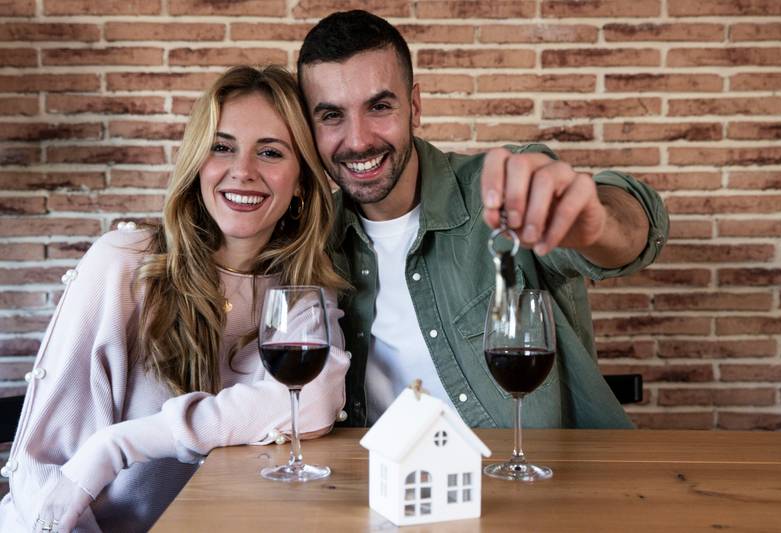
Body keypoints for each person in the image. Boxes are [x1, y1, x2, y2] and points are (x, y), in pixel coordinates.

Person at [0, 65, 349, 532]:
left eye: (270, 152)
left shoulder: (298, 292)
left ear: (302, 181)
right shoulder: (125, 264)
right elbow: (46, 471)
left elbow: (313, 399)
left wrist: (119, 445)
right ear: (197, 161)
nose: (242, 171)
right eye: (222, 147)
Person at [296, 10, 669, 429]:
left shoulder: (504, 190)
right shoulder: (311, 239)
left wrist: (598, 223)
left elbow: (638, 226)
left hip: (533, 482)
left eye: (379, 106)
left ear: (414, 107)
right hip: (384, 485)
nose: (359, 139)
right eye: (331, 116)